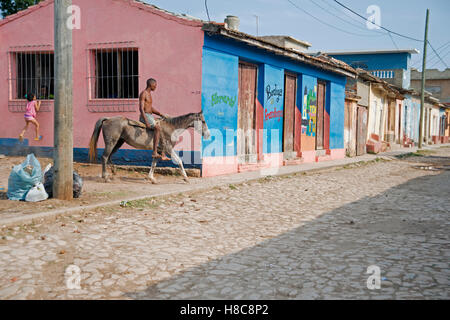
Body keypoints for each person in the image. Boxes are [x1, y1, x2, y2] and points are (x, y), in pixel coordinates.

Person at [139, 78, 170, 160]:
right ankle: (154, 152)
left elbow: (150, 108)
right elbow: (141, 109)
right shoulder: (144, 94)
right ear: (151, 85)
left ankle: (162, 153)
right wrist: (146, 121)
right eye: (155, 85)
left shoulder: (149, 94)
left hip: (150, 115)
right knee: (157, 128)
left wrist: (161, 114)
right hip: (145, 115)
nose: (156, 87)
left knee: (162, 126)